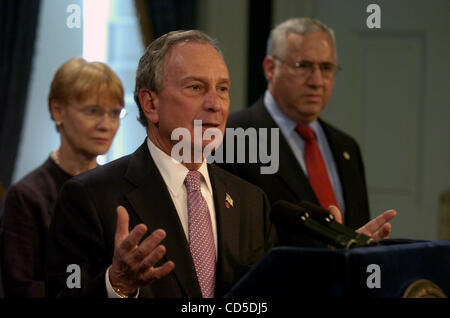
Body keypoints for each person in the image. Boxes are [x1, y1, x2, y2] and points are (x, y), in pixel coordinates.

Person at [45, 30, 276, 298]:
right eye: (196, 88)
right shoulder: (88, 198)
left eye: (222, 89)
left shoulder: (250, 201)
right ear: (150, 103)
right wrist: (117, 285)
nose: (216, 105)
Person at [222, 18, 376, 247]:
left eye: (326, 68)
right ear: (270, 69)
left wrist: (361, 244)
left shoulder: (347, 147)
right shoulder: (233, 136)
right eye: (303, 66)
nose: (316, 81)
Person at [0, 57, 125, 298]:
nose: (106, 125)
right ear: (58, 110)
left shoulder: (119, 189)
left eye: (114, 113)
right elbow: (23, 291)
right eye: (93, 111)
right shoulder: (27, 197)